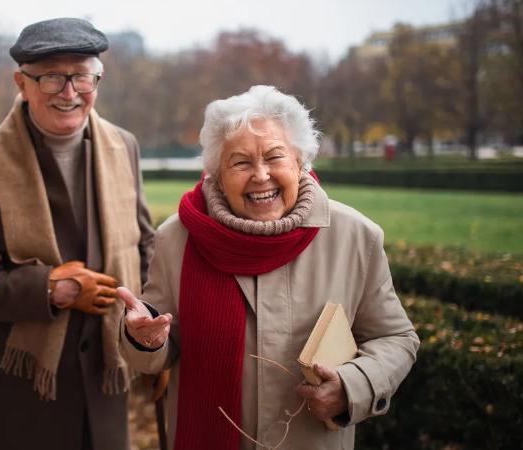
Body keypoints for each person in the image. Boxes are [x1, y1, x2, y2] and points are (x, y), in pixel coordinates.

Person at [118, 85, 420, 450]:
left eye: (275, 157)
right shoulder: (177, 237)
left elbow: (397, 339)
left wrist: (352, 387)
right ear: (216, 173)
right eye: (241, 162)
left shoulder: (357, 237)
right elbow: (162, 346)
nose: (261, 175)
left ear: (300, 162)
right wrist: (144, 339)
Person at [0, 18, 155, 450]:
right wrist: (52, 289)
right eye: (53, 78)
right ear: (22, 82)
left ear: (99, 79)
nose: (70, 93)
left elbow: (145, 249)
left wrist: (151, 320)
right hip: (22, 398)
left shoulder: (124, 146)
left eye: (82, 77)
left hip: (106, 390)